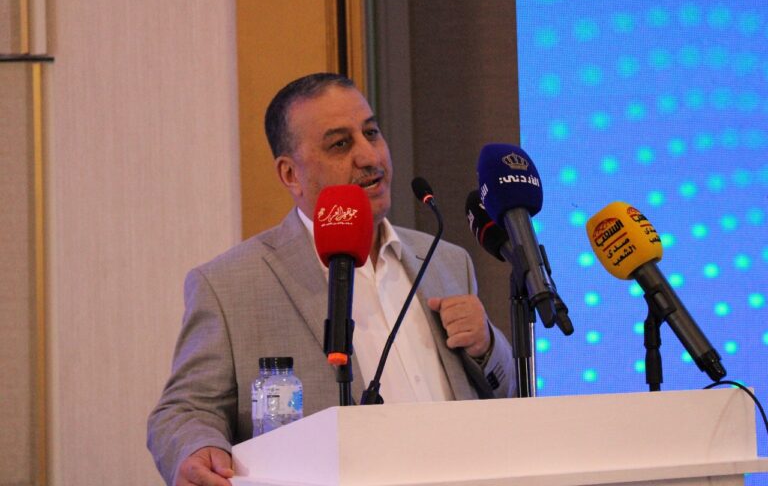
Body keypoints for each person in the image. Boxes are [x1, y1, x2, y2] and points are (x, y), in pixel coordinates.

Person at [147, 73, 516, 486]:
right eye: (340, 144)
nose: (369, 156)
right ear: (290, 174)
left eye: (371, 133)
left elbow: (506, 400)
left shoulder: (445, 261)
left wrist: (487, 346)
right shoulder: (229, 285)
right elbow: (185, 410)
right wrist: (196, 449)